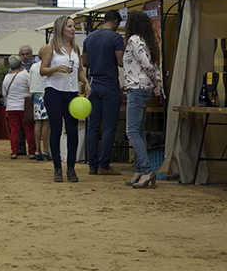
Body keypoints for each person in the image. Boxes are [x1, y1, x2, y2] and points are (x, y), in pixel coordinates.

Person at [40, 15, 91, 183]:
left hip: (72, 94)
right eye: (69, 26)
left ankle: (71, 168)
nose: (72, 29)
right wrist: (55, 68)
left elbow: (80, 70)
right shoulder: (51, 48)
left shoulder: (76, 49)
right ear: (61, 29)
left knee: (72, 131)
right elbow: (42, 70)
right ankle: (57, 167)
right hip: (54, 92)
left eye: (73, 26)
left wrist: (86, 82)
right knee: (55, 130)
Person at [123, 11, 163, 190]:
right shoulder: (146, 41)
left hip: (137, 89)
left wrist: (156, 80)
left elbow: (146, 64)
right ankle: (140, 171)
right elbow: (153, 64)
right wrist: (158, 81)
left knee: (132, 131)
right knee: (138, 130)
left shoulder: (133, 39)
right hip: (144, 89)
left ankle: (146, 171)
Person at [82, 10, 124, 176]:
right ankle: (104, 165)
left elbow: (85, 62)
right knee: (109, 126)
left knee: (93, 126)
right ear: (115, 21)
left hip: (93, 84)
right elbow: (120, 62)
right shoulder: (115, 38)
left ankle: (92, 165)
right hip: (110, 84)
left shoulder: (89, 37)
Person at [2, 55, 35, 159]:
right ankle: (32, 152)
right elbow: (31, 88)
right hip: (24, 106)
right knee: (28, 130)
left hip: (11, 107)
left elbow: (4, 93)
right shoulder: (25, 75)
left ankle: (14, 152)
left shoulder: (7, 77)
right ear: (21, 64)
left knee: (14, 130)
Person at [29, 45, 51, 161]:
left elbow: (29, 81)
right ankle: (45, 149)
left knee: (37, 123)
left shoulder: (33, 67)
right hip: (45, 94)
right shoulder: (48, 66)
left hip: (36, 95)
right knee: (46, 123)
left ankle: (37, 149)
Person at [16, 44, 34, 157]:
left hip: (30, 98)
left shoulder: (35, 66)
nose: (25, 56)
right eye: (23, 54)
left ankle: (33, 149)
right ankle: (21, 148)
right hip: (19, 99)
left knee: (30, 126)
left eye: (27, 54)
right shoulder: (15, 67)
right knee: (19, 127)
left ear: (31, 55)